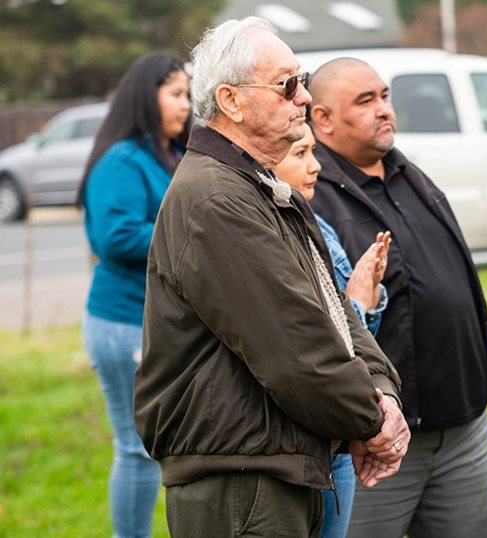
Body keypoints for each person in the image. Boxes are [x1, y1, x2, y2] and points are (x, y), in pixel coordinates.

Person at [133, 17, 410, 538]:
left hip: (270, 468)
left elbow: (334, 311)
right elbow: (298, 352)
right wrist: (374, 423)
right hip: (239, 484)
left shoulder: (256, 185)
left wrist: (382, 390)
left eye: (301, 80)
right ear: (232, 101)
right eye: (287, 84)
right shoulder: (216, 200)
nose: (304, 97)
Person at [308, 57, 487, 538]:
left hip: (463, 429)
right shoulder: (311, 196)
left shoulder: (407, 172)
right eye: (365, 101)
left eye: (384, 96)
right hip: (375, 447)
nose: (384, 110)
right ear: (323, 119)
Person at [77, 51, 191, 538]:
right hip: (123, 321)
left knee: (157, 445)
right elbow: (115, 237)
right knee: (136, 447)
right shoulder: (122, 159)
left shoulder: (171, 154)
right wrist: (191, 238)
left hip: (155, 323)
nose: (186, 105)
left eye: (188, 94)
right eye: (176, 94)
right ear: (147, 96)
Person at [274, 122, 391, 538]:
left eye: (313, 152)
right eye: (300, 154)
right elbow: (312, 339)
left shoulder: (314, 224)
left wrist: (367, 297)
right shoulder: (269, 231)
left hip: (338, 437)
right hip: (306, 435)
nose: (316, 166)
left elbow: (354, 334)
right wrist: (357, 302)